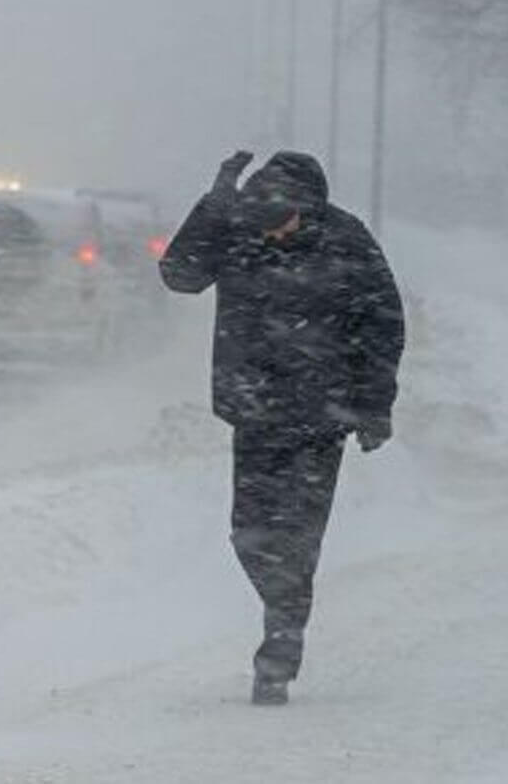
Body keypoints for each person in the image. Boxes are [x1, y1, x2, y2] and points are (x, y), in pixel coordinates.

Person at [159, 150, 405, 706]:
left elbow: (383, 325)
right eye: (266, 223)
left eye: (285, 222)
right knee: (248, 531)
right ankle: (284, 608)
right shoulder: (240, 229)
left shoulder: (347, 241)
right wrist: (216, 204)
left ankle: (281, 642)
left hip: (323, 417)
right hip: (256, 411)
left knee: (297, 535)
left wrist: (375, 405)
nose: (275, 234)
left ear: (308, 208)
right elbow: (180, 275)